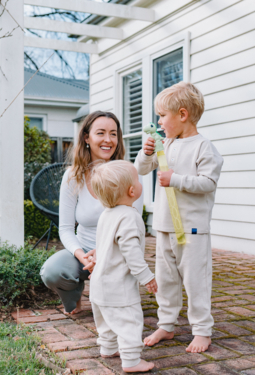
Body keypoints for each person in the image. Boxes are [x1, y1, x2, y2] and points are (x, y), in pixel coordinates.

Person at [135, 81, 223, 353]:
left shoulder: (204, 148)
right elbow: (140, 168)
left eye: (163, 116)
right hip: (163, 227)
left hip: (192, 230)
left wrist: (176, 179)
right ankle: (167, 324)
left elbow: (208, 183)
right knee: (166, 280)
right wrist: (147, 151)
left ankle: (202, 331)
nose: (159, 122)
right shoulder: (166, 144)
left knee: (196, 281)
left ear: (182, 115)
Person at [39, 111, 143, 315]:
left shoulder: (128, 173)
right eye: (101, 133)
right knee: (52, 272)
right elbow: (67, 229)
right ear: (86, 137)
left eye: (113, 134)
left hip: (118, 250)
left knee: (116, 311)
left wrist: (104, 253)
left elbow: (135, 224)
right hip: (85, 251)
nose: (108, 140)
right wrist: (83, 256)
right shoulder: (73, 175)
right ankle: (74, 295)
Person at [89, 160, 157, 373]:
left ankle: (108, 349)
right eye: (137, 179)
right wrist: (146, 277)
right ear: (131, 190)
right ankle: (131, 361)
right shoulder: (129, 216)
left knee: (107, 322)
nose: (139, 182)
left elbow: (100, 246)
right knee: (129, 321)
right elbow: (132, 254)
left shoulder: (106, 215)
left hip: (99, 284)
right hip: (118, 286)